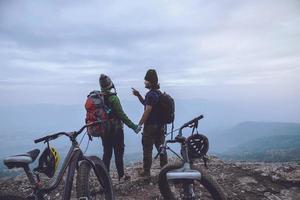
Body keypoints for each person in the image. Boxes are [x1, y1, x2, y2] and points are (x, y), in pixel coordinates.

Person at [99, 74, 141, 182]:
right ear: (110, 84)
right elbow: (122, 115)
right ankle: (121, 176)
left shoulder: (99, 98)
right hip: (116, 130)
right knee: (118, 153)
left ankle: (104, 178)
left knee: (107, 153)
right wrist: (134, 127)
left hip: (104, 130)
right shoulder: (113, 98)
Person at [132, 69, 168, 177]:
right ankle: (165, 169)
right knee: (161, 147)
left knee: (147, 148)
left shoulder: (151, 95)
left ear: (150, 82)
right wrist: (138, 95)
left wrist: (139, 124)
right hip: (160, 126)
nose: (144, 82)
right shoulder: (158, 93)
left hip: (151, 126)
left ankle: (146, 172)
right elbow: (147, 104)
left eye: (146, 80)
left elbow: (147, 110)